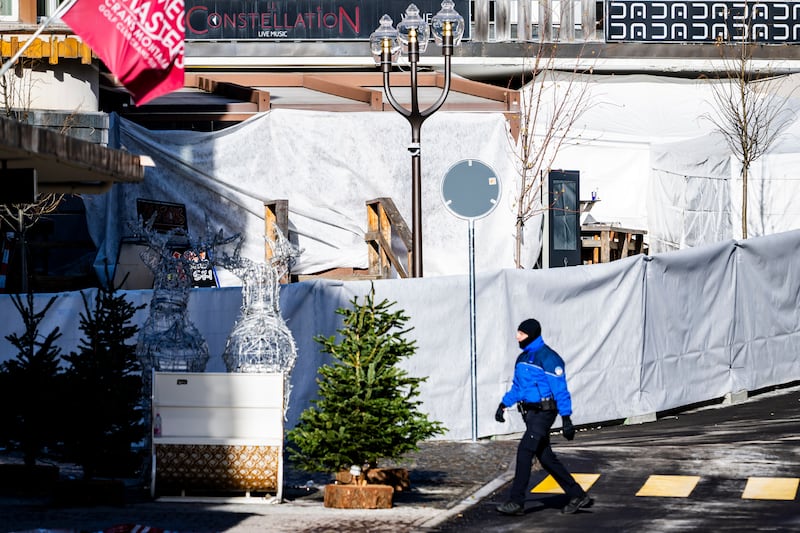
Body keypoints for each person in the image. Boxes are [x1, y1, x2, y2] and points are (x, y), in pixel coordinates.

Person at [494, 318, 593, 516]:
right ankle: (578, 495)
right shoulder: (522, 359)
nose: (517, 337)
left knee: (524, 452)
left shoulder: (549, 358)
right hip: (530, 414)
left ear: (531, 334)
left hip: (544, 413)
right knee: (546, 458)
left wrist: (566, 418)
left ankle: (516, 502)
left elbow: (560, 390)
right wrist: (504, 404)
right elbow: (518, 387)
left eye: (521, 333)